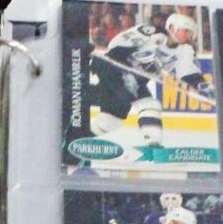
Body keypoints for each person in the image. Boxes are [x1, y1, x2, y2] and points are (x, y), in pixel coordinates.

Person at [86, 13, 212, 153]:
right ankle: (154, 146)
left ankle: (81, 138)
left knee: (111, 121)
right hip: (114, 69)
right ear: (172, 27)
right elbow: (116, 45)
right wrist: (144, 59)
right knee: (136, 101)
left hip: (134, 80)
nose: (189, 35)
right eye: (186, 31)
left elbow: (188, 71)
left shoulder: (185, 50)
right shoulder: (152, 32)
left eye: (191, 33)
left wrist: (201, 84)